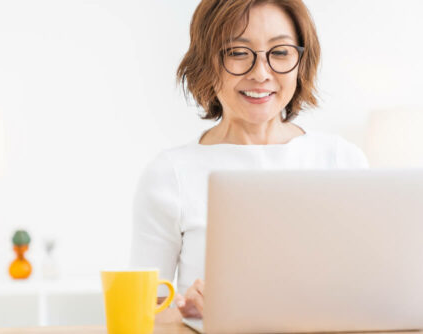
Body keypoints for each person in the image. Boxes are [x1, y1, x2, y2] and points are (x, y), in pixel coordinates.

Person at [130, 0, 369, 323]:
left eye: (280, 52)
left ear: (301, 61)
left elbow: (372, 293)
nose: (260, 73)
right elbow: (138, 314)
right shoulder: (169, 173)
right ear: (207, 61)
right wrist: (184, 310)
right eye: (237, 52)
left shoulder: (342, 160)